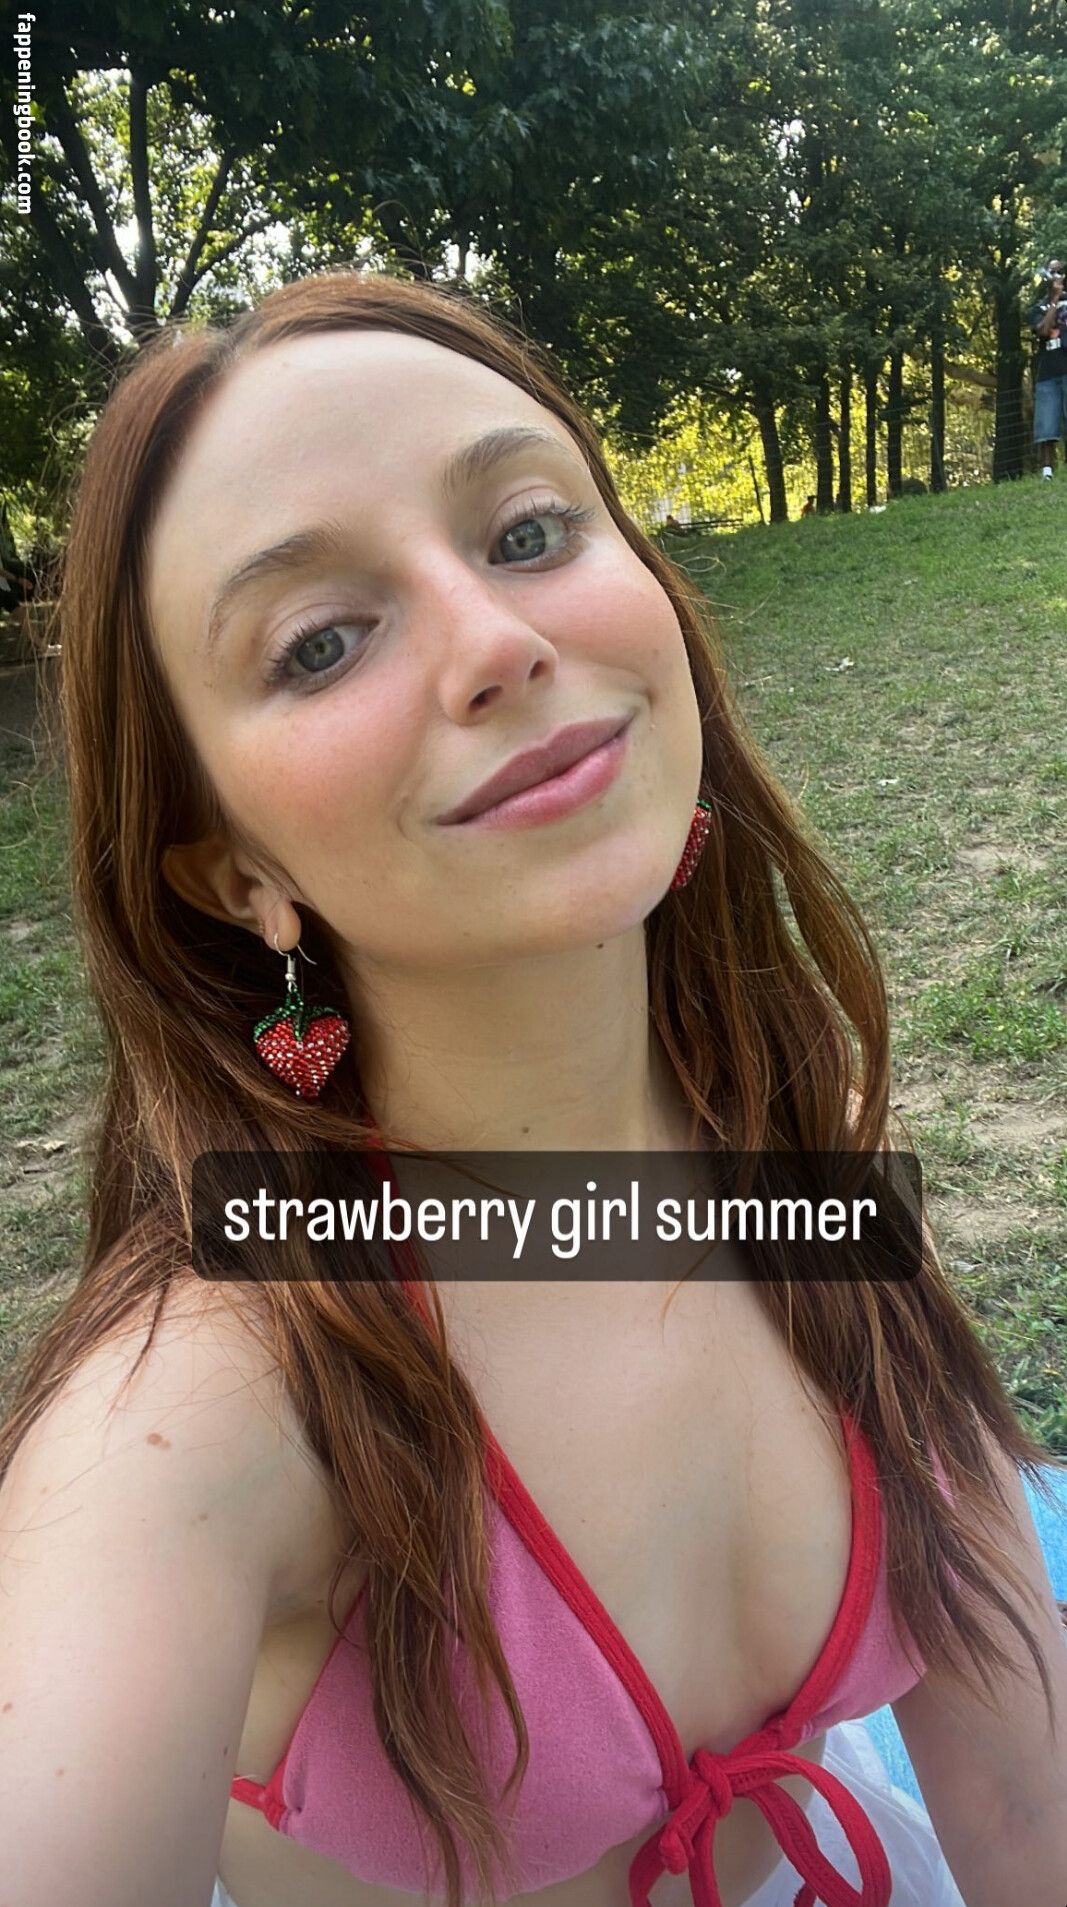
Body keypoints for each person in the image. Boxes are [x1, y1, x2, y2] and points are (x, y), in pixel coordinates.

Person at [0, 270, 1066, 1907]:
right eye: (320, 641)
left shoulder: (805, 1197)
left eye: (526, 532)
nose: (499, 641)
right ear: (237, 874)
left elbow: (1019, 1808)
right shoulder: (195, 1415)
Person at [1027, 258, 1067, 478]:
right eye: (1051, 272)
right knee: (1047, 424)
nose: (1055, 276)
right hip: (1047, 374)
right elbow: (1042, 331)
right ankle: (1047, 472)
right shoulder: (1037, 308)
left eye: (1059, 272)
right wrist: (1054, 300)